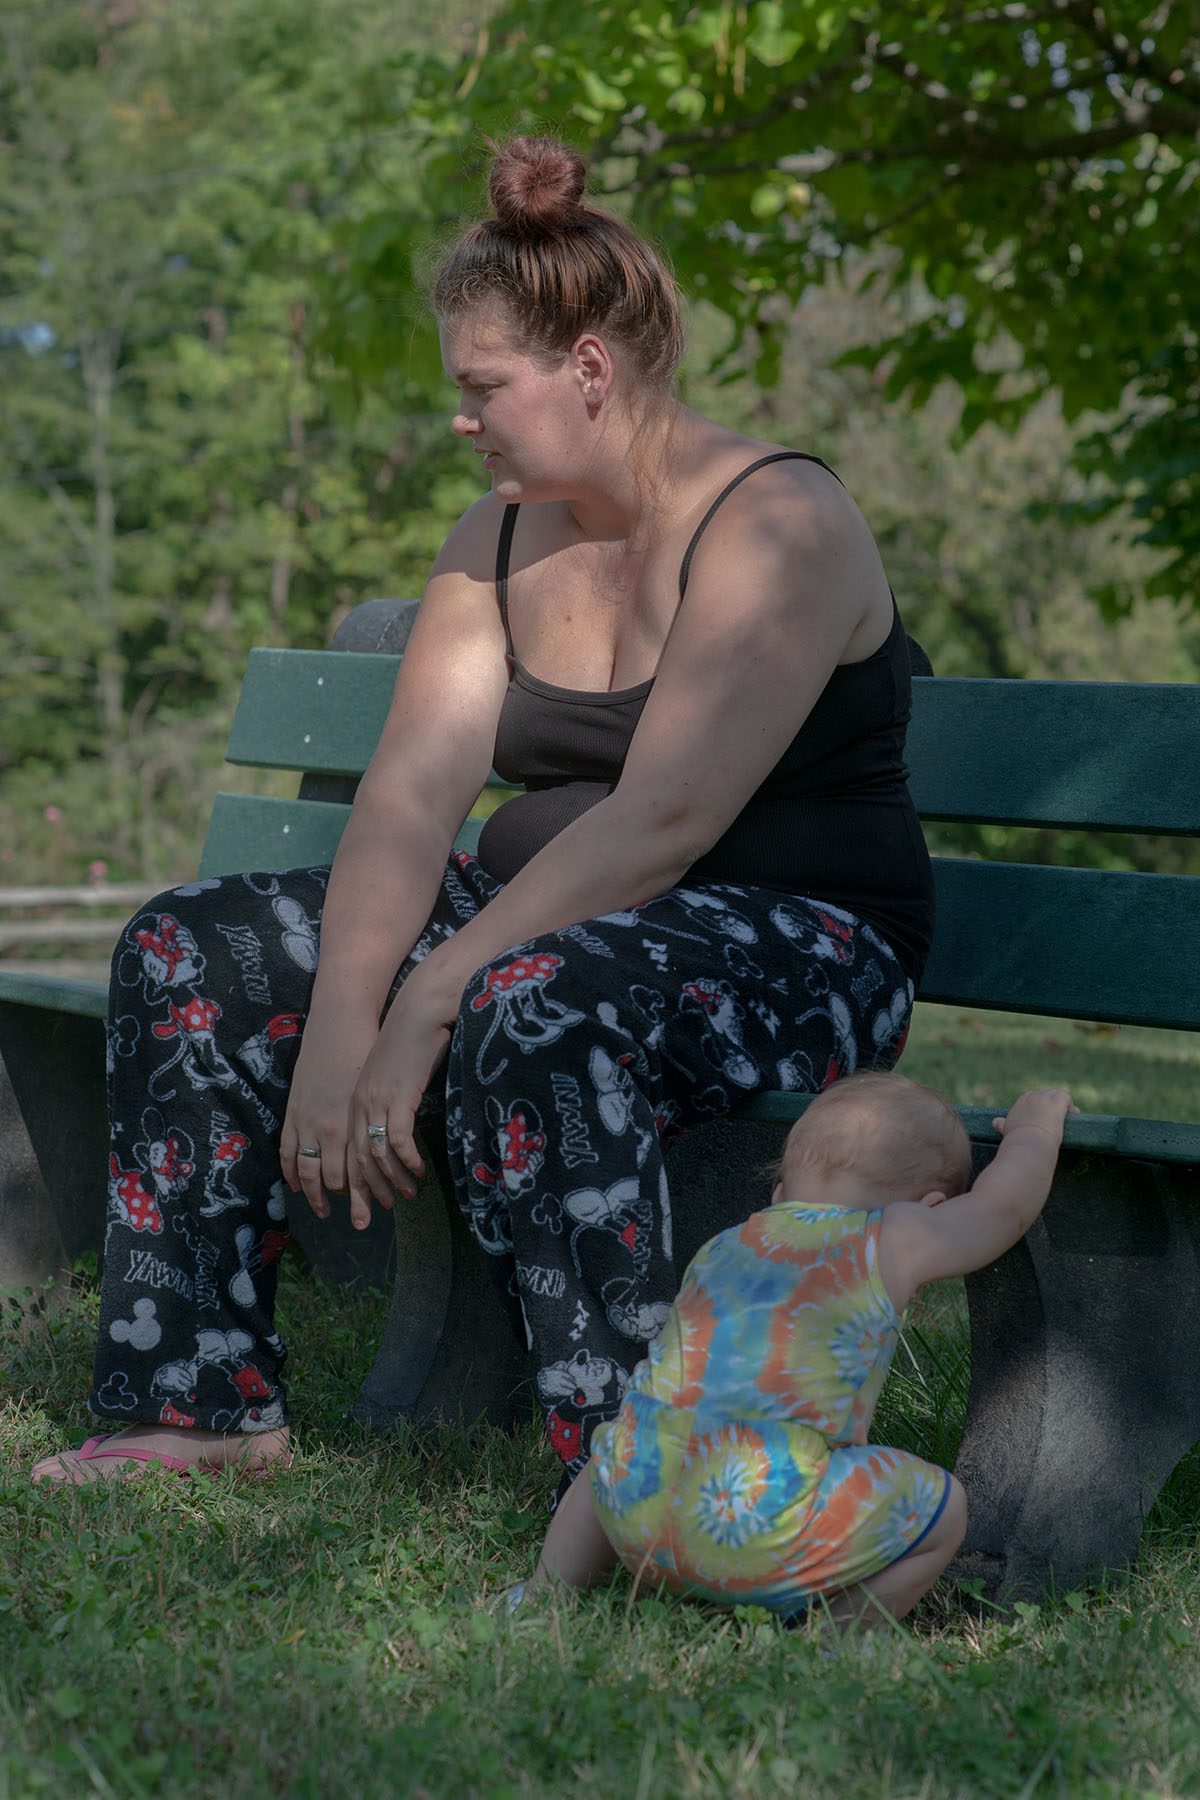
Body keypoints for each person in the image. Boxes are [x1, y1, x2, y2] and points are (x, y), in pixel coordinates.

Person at [33, 135, 935, 1485]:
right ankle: (198, 1407)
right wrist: (343, 1022)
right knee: (188, 950)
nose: (463, 421)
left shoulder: (777, 523)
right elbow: (409, 802)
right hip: (549, 932)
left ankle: (634, 1475)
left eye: (483, 389)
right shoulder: (498, 536)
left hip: (794, 948)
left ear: (589, 368)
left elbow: (662, 824)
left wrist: (431, 994)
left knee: (539, 999)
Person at [512, 1077, 1076, 1629]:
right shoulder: (893, 1235)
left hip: (636, 1518)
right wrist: (1034, 1133)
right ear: (929, 1207)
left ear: (779, 1194)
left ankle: (541, 1595)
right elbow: (1002, 1210)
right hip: (757, 1535)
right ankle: (833, 1640)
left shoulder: (726, 1244)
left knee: (625, 1438)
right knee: (944, 1507)